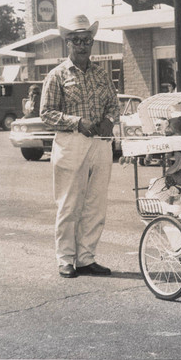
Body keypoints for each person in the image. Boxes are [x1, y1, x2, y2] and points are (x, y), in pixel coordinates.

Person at [40, 14, 120, 278]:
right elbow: (46, 113)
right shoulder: (57, 75)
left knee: (95, 203)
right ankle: (65, 259)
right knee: (69, 203)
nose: (83, 45)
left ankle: (86, 257)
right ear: (68, 43)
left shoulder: (101, 74)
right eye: (77, 40)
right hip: (71, 141)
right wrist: (76, 122)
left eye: (87, 40)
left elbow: (114, 104)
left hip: (99, 142)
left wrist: (109, 120)